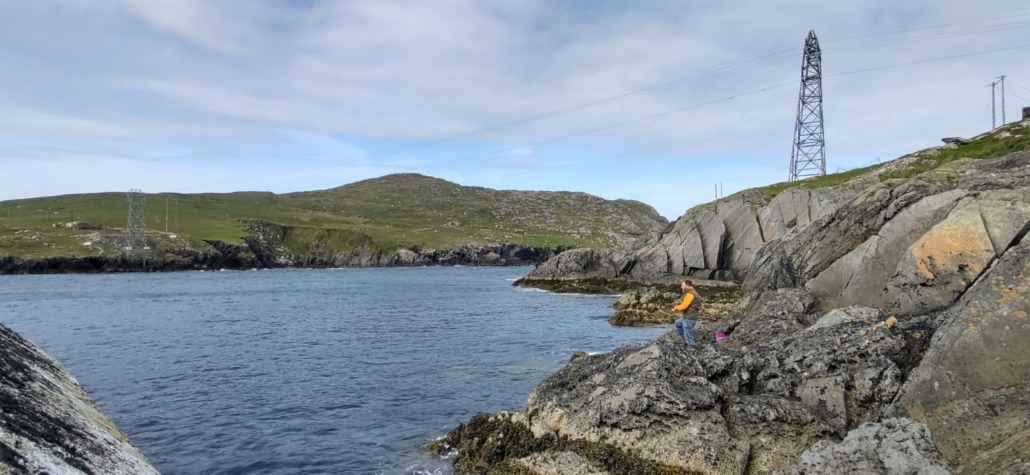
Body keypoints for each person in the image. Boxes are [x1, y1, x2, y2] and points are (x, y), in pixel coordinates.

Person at [673, 280, 701, 345]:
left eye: (682, 285)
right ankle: (684, 339)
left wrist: (676, 307)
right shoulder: (691, 293)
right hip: (687, 317)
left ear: (687, 285)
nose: (681, 287)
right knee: (678, 323)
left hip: (689, 318)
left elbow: (684, 306)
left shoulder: (690, 294)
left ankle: (691, 348)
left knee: (690, 339)